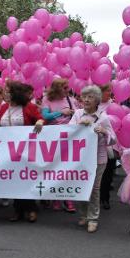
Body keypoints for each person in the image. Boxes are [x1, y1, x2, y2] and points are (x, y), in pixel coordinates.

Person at [0, 81, 44, 222]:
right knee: (14, 180)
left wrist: (39, 122)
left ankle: (31, 208)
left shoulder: (29, 106)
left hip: (26, 150)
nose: (6, 94)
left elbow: (40, 119)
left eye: (8, 91)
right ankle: (18, 210)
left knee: (26, 179)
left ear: (16, 93)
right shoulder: (3, 107)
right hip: (8, 151)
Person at [69, 85, 116, 233]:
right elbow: (68, 132)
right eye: (85, 97)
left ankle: (93, 218)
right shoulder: (77, 114)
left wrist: (103, 132)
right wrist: (78, 125)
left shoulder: (103, 117)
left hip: (98, 158)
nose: (87, 100)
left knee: (94, 189)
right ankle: (83, 214)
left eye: (90, 97)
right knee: (81, 186)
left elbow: (113, 139)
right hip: (80, 158)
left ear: (97, 100)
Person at [41, 78, 78, 213]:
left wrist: (74, 113)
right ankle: (56, 198)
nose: (68, 90)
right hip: (52, 137)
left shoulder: (71, 100)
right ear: (57, 88)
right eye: (65, 87)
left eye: (68, 87)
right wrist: (61, 112)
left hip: (69, 137)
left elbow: (78, 114)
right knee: (55, 168)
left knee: (67, 168)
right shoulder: (47, 99)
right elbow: (45, 115)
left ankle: (68, 199)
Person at [99, 83, 116, 209]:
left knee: (108, 172)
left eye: (110, 91)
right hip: (94, 144)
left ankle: (105, 198)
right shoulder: (93, 105)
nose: (109, 93)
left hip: (109, 142)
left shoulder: (114, 104)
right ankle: (96, 198)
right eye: (107, 90)